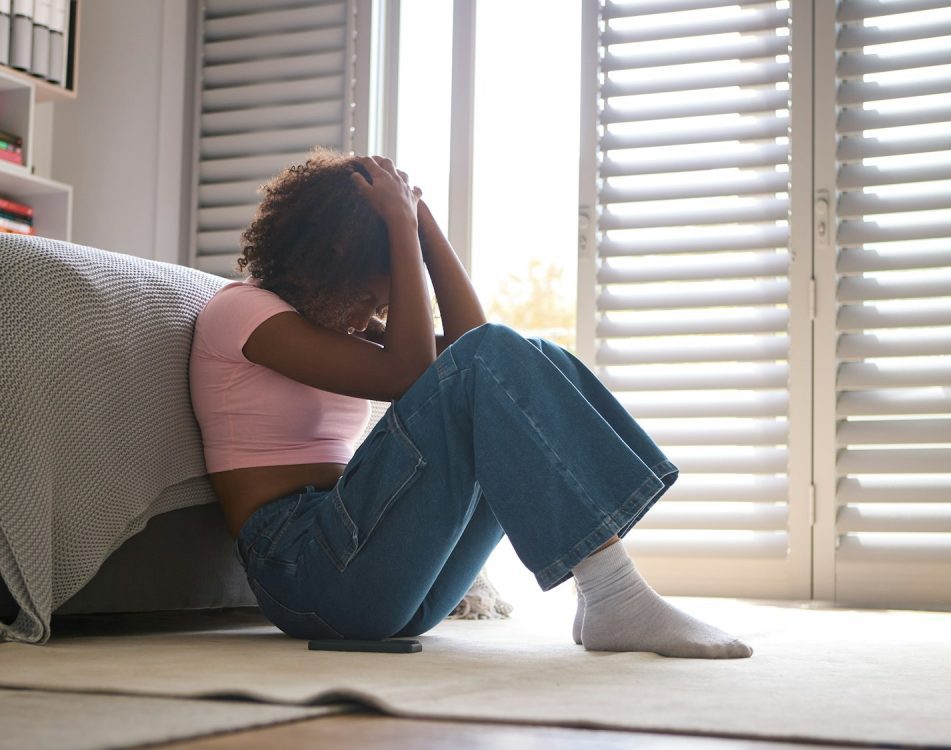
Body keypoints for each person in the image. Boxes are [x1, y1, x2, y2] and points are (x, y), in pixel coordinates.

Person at [188, 148, 753, 659]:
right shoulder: (242, 312)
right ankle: (614, 592)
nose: (368, 319)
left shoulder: (333, 327)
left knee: (526, 354)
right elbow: (415, 369)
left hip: (389, 582)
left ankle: (605, 589)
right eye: (367, 298)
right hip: (304, 570)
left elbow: (473, 344)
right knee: (487, 359)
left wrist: (421, 218)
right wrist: (401, 229)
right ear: (328, 265)